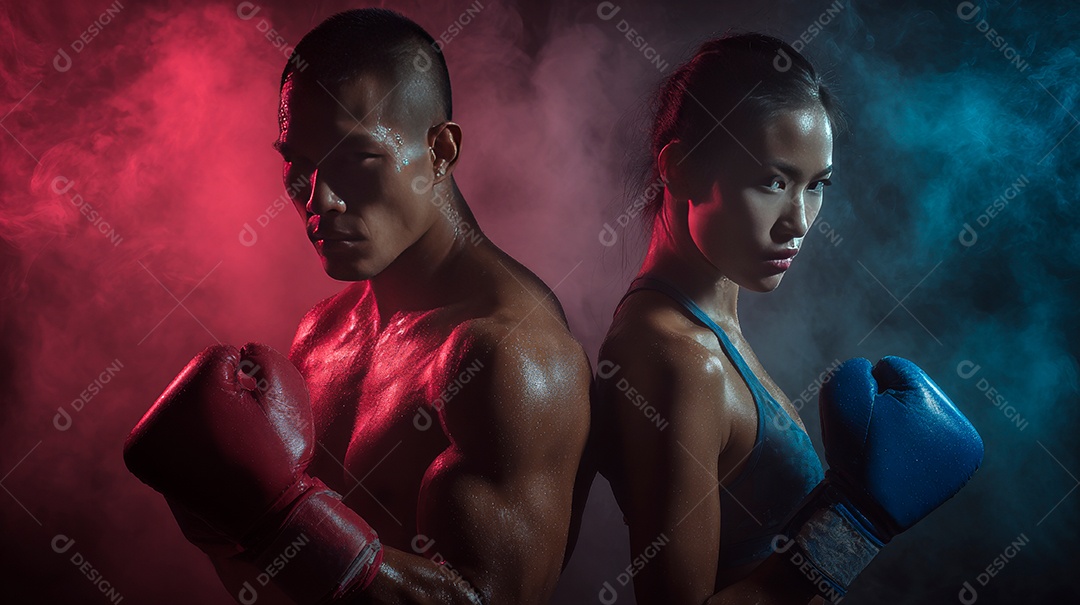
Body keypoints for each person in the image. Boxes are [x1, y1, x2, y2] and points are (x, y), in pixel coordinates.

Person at [124, 9, 592, 604]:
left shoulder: (508, 351)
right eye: (297, 162)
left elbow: (486, 600)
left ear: (441, 151)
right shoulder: (322, 334)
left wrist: (280, 517)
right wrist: (225, 529)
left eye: (355, 157)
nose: (319, 196)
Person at [595, 33, 983, 604]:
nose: (798, 221)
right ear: (680, 168)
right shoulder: (680, 359)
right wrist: (852, 523)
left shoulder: (705, 328)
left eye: (817, 186)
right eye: (772, 181)